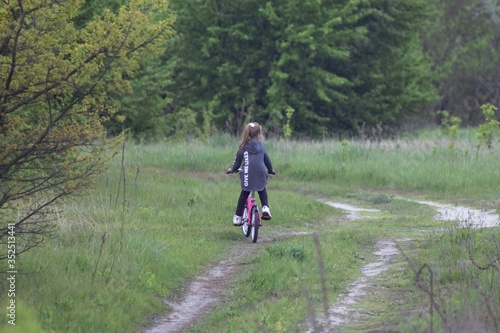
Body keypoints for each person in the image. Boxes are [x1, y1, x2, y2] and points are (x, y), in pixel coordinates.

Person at [226, 122, 275, 226]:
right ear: (259, 134)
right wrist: (270, 170)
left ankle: (238, 217)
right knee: (262, 190)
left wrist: (232, 169)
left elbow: (237, 163)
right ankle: (265, 208)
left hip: (247, 173)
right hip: (261, 172)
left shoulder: (242, 147)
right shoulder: (261, 146)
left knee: (244, 194)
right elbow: (267, 161)